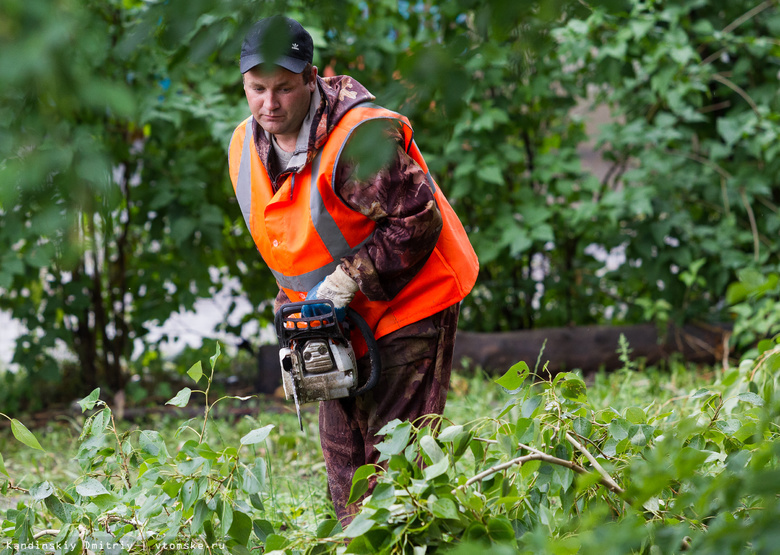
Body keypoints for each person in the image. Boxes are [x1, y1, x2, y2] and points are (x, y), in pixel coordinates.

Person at [227, 15, 479, 526]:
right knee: (345, 469)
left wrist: (344, 284)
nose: (269, 105)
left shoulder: (358, 142)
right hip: (330, 318)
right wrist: (292, 313)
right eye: (257, 90)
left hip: (411, 304)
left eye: (283, 89)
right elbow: (288, 241)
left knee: (397, 465)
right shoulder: (243, 146)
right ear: (243, 84)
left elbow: (417, 220)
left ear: (311, 77)